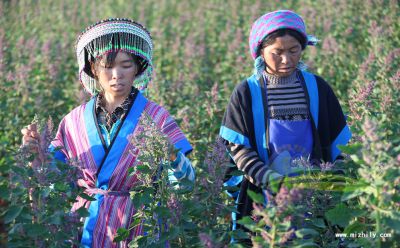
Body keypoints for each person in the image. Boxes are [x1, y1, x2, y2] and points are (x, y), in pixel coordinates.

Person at [21, 18, 195, 247]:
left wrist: (171, 154)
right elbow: (57, 184)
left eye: (126, 65)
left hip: (139, 227)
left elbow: (185, 183)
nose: (116, 74)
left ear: (137, 68)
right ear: (93, 69)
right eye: (107, 66)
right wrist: (37, 152)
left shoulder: (156, 117)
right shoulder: (74, 121)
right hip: (84, 226)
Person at [219, 10, 351, 240]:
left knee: (315, 239)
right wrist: (271, 180)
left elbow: (339, 142)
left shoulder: (317, 87)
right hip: (264, 196)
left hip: (316, 195)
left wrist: (328, 180)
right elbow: (238, 148)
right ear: (260, 51)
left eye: (294, 51)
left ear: (303, 48)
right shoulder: (246, 93)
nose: (286, 60)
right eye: (277, 52)